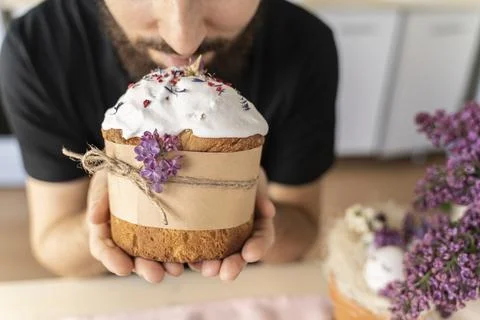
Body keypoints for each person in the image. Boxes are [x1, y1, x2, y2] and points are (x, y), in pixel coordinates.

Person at [0, 0, 338, 283]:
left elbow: (303, 231)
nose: (183, 41)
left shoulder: (306, 43)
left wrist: (243, 206)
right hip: (115, 290)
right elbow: (53, 246)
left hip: (239, 285)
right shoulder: (39, 45)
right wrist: (106, 221)